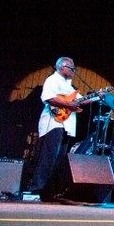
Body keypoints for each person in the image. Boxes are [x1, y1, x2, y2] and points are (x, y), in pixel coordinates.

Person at [24, 57, 80, 199]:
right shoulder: (52, 80)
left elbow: (81, 100)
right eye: (71, 68)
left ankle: (50, 191)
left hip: (66, 126)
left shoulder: (70, 87)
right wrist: (68, 104)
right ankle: (37, 189)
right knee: (48, 158)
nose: (74, 70)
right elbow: (48, 98)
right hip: (53, 124)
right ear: (62, 67)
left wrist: (98, 96)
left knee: (59, 160)